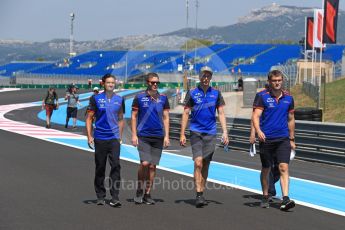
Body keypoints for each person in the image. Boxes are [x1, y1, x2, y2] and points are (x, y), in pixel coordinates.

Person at [180, 66, 229, 208]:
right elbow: (185, 113)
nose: (205, 78)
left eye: (208, 76)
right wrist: (182, 133)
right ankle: (198, 194)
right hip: (195, 132)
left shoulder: (217, 93)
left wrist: (225, 132)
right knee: (198, 163)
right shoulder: (192, 92)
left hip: (211, 133)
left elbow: (221, 113)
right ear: (199, 76)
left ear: (211, 77)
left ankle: (202, 191)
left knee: (206, 164)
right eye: (203, 75)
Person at [252, 70, 296, 211]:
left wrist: (292, 138)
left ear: (282, 80)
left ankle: (285, 199)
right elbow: (255, 116)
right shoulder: (262, 96)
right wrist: (258, 131)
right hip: (267, 139)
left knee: (283, 167)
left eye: (279, 80)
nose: (277, 83)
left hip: (283, 139)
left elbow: (291, 119)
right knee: (266, 168)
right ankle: (265, 196)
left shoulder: (289, 98)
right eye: (274, 80)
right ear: (269, 82)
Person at [86, 73, 125, 207]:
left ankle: (115, 196)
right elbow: (89, 118)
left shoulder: (120, 99)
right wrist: (90, 136)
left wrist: (119, 136)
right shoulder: (95, 98)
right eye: (108, 82)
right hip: (100, 138)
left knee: (116, 166)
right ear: (103, 83)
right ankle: (100, 195)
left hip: (114, 138)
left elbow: (120, 119)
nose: (110, 85)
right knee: (100, 167)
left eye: (112, 83)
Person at [131, 73, 170, 205]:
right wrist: (134, 135)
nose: (155, 85)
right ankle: (139, 189)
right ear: (147, 82)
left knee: (152, 167)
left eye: (157, 83)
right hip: (143, 135)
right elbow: (134, 116)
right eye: (152, 82)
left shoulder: (163, 98)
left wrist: (167, 136)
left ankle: (147, 194)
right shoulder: (140, 97)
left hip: (158, 136)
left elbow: (166, 117)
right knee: (145, 163)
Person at [249, 83, 279, 199]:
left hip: (280, 135)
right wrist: (253, 133)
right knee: (268, 164)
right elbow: (254, 116)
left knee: (280, 165)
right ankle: (270, 191)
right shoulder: (260, 96)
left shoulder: (283, 95)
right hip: (264, 135)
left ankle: (269, 183)